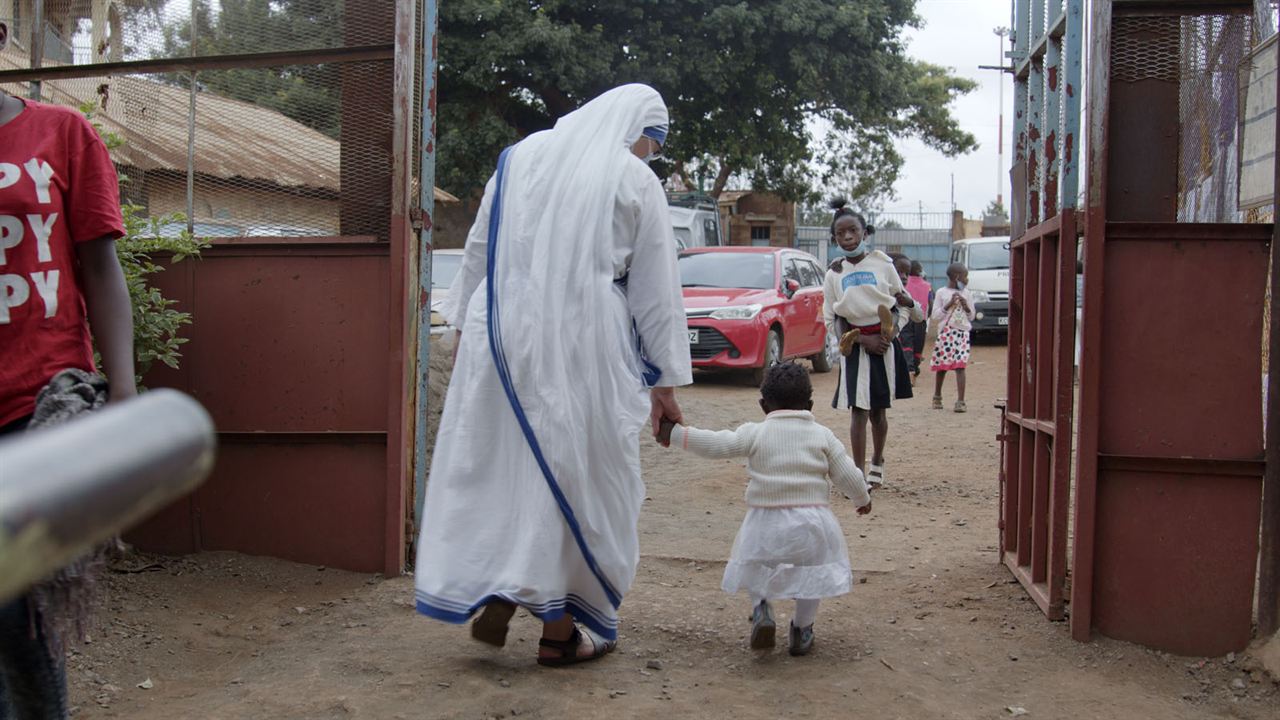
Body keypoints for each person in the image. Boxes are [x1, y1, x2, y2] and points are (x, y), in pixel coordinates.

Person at [413, 84, 692, 667]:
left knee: (508, 464)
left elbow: (478, 250)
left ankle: (507, 586)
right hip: (582, 335)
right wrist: (664, 383)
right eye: (651, 144)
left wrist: (466, 329)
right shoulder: (633, 178)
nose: (648, 156)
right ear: (638, 129)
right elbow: (656, 288)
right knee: (578, 471)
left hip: (501, 331)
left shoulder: (518, 158)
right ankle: (558, 627)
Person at [0, 17, 137, 717]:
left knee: (20, 601)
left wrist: (124, 394)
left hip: (44, 400)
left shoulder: (60, 134)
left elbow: (100, 269)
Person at [657, 363, 871, 656]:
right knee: (811, 577)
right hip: (813, 523)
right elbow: (847, 474)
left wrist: (676, 434)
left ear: (763, 405)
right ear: (809, 404)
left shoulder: (755, 433)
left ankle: (762, 610)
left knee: (758, 567)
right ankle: (801, 629)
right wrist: (862, 499)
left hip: (766, 520)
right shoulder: (823, 436)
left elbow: (717, 444)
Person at [822, 199, 922, 488]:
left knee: (878, 410)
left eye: (853, 231)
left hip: (884, 342)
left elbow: (904, 305)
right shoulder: (834, 273)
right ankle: (857, 473)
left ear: (865, 233)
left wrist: (889, 333)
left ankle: (877, 460)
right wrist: (860, 339)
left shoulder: (883, 264)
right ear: (835, 238)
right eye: (841, 234)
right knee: (858, 410)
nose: (848, 237)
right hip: (854, 344)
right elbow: (831, 317)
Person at [930, 263, 976, 413]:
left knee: (960, 365)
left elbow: (972, 316)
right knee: (942, 367)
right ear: (957, 277)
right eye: (964, 276)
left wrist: (966, 306)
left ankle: (961, 401)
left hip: (962, 334)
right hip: (946, 334)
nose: (966, 279)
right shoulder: (941, 293)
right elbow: (935, 316)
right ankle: (937, 396)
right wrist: (949, 304)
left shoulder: (967, 293)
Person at [892, 256, 919, 379]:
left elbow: (919, 316)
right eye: (899, 272)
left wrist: (910, 303)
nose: (904, 277)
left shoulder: (905, 296)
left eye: (907, 274)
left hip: (889, 343)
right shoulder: (879, 292)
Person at [905, 261, 932, 382]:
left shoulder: (904, 284)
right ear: (918, 271)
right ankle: (914, 368)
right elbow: (930, 304)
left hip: (906, 318)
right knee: (918, 346)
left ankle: (910, 370)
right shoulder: (927, 286)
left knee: (906, 345)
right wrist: (926, 318)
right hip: (920, 320)